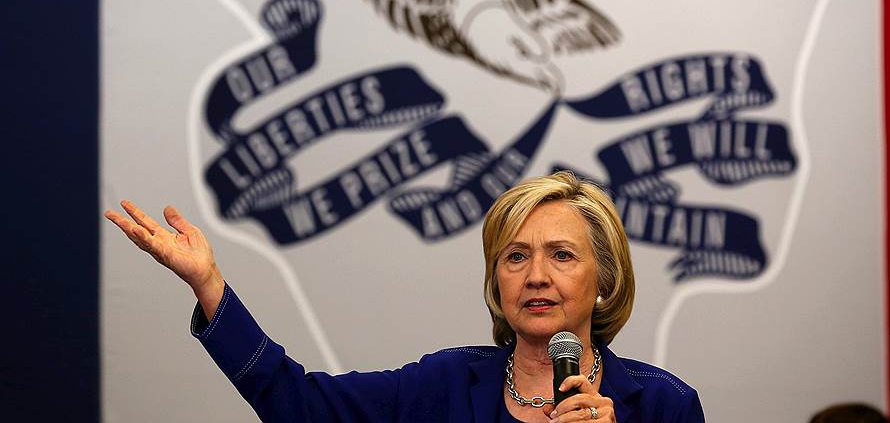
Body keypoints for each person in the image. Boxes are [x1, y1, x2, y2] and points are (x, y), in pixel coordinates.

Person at [105, 171, 704, 422]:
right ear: (497, 280)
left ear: (605, 281)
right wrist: (209, 285)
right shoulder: (441, 387)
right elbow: (299, 406)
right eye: (515, 256)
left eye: (563, 256)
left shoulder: (664, 406)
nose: (536, 276)